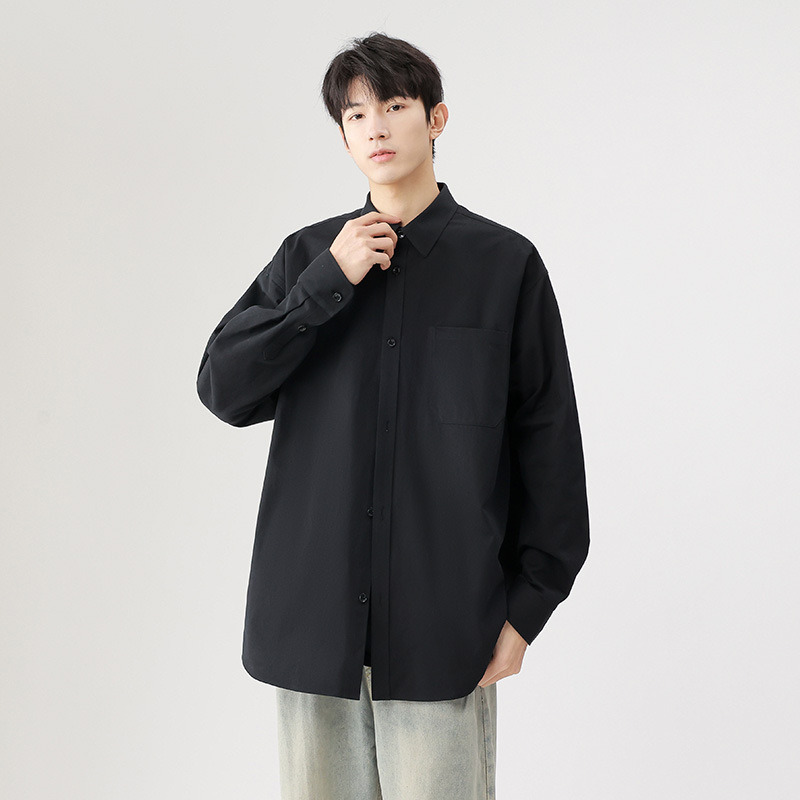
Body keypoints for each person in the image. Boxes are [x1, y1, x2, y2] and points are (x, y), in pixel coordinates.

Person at [196, 31, 590, 800]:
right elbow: (224, 387)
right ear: (343, 136)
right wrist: (324, 287)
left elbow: (549, 445)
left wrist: (526, 613)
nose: (374, 127)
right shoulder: (308, 258)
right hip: (312, 634)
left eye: (395, 106)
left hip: (447, 634)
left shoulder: (504, 266)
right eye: (355, 115)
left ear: (436, 118)